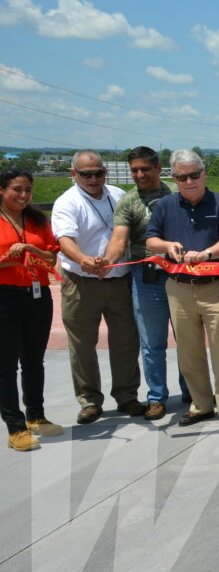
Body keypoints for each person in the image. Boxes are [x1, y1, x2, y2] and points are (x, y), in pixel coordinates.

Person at [145, 150, 219, 425]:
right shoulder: (164, 205)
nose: (189, 181)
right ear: (174, 178)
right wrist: (167, 246)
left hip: (215, 286)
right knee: (188, 352)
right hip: (178, 287)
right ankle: (201, 404)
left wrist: (207, 254)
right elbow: (152, 240)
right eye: (182, 177)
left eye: (194, 175)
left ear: (204, 173)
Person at [52, 150, 144, 424]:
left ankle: (127, 396)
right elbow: (64, 239)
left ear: (105, 172)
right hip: (81, 282)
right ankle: (90, 400)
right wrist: (84, 260)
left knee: (126, 341)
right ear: (73, 174)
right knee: (82, 345)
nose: (93, 179)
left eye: (98, 173)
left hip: (119, 280)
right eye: (85, 174)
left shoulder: (118, 195)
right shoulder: (67, 203)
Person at [102, 147, 188, 421]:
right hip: (146, 278)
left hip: (179, 276)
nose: (139, 175)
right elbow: (119, 239)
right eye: (134, 170)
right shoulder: (128, 202)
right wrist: (105, 261)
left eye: (144, 169)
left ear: (158, 168)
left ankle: (193, 390)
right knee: (152, 344)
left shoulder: (177, 195)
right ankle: (157, 398)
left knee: (187, 339)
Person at [0, 170, 60, 451]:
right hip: (4, 297)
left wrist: (29, 251)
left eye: (27, 190)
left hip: (38, 295)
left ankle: (36, 416)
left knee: (34, 361)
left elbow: (51, 255)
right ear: (2, 190)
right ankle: (15, 427)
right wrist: (10, 260)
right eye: (16, 190)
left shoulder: (37, 220)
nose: (23, 195)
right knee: (6, 365)